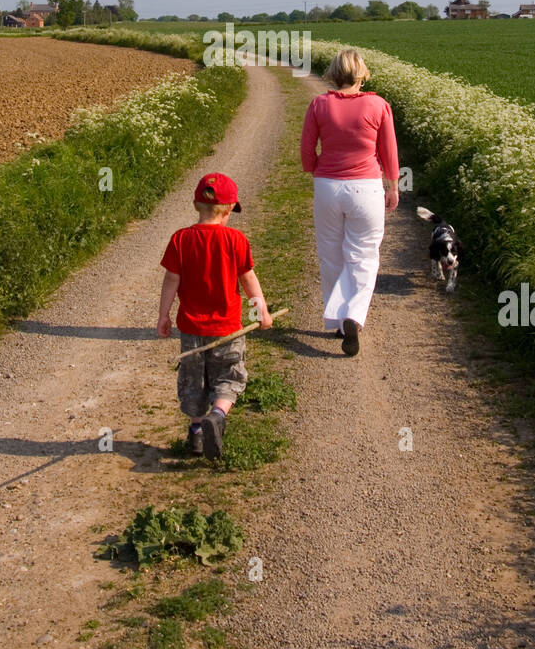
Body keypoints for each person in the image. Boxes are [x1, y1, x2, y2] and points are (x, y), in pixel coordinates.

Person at [157, 172, 272, 459]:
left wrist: (164, 315)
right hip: (228, 328)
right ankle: (218, 415)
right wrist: (261, 312)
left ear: (197, 205)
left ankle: (197, 431)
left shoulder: (180, 239)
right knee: (229, 377)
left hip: (192, 329)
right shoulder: (235, 239)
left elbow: (171, 280)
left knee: (194, 380)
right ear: (229, 208)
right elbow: (248, 280)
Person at [300, 47, 399, 357]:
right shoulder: (378, 104)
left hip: (328, 186)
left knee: (331, 255)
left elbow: (306, 150)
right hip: (366, 188)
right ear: (361, 73)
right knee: (364, 256)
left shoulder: (319, 104)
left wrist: (316, 169)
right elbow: (389, 152)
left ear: (333, 73)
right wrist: (392, 186)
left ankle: (340, 324)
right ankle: (355, 314)